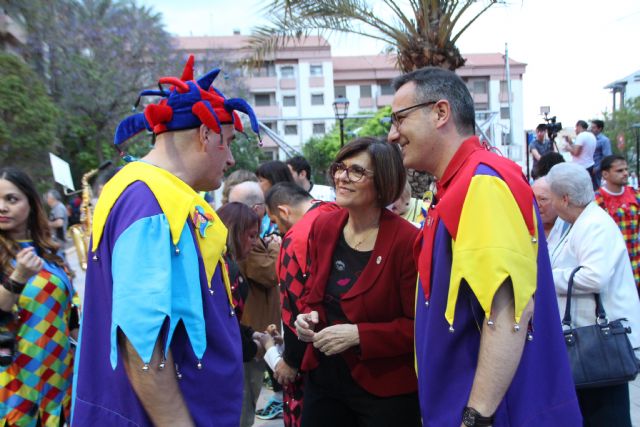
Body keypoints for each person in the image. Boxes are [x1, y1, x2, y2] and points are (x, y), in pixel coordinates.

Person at [71, 55, 261, 426]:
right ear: (205, 135)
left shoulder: (150, 194)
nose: (232, 157)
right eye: (228, 141)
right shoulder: (150, 203)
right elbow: (143, 347)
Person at [387, 66, 581, 426]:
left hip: (497, 413)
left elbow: (509, 311)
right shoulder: (459, 184)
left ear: (440, 112)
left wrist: (476, 416)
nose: (392, 134)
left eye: (399, 119)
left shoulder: (481, 183)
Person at [295, 137, 421, 427]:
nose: (341, 177)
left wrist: (360, 335)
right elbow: (313, 294)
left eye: (356, 171)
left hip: (384, 388)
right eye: (340, 167)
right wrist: (306, 318)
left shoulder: (407, 241)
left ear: (384, 182)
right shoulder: (324, 226)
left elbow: (418, 325)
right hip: (324, 377)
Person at [547, 162, 640, 426]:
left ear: (564, 198)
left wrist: (547, 277)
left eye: (551, 197)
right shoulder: (577, 222)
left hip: (602, 341)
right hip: (590, 339)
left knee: (607, 412)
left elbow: (594, 276)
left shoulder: (594, 224)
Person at [0, 167, 77, 426]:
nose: (2, 208)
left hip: (60, 377)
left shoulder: (51, 255)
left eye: (11, 199)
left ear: (31, 204)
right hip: (12, 384)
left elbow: (72, 316)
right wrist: (18, 277)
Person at [264, 182, 339, 427]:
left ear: (284, 211)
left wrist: (291, 361)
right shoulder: (338, 213)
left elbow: (295, 307)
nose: (276, 228)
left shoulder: (295, 238)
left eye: (275, 221)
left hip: (318, 357)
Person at [228, 181, 283, 424]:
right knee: (242, 406)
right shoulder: (241, 246)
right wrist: (277, 250)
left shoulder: (249, 237)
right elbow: (271, 273)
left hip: (253, 332)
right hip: (246, 339)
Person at [216, 202, 263, 360]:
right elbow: (224, 327)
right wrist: (255, 348)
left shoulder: (216, 263)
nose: (255, 242)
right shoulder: (227, 270)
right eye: (251, 236)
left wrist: (251, 333)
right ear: (234, 232)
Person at [595, 155, 640, 288]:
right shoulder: (597, 200)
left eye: (626, 169)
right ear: (605, 174)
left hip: (635, 263)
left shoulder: (635, 195)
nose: (625, 173)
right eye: (619, 171)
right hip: (610, 265)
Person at [531, 177, 569, 252]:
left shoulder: (570, 228)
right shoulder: (525, 226)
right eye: (533, 200)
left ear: (560, 200)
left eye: (543, 199)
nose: (537, 205)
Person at [564, 120, 597, 189]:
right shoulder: (591, 136)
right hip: (590, 165)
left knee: (580, 190)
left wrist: (568, 148)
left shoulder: (581, 136)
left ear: (579, 127)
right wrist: (571, 143)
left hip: (581, 167)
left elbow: (576, 153)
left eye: (576, 128)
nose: (575, 130)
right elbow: (582, 150)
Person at [591, 119, 612, 186]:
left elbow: (607, 156)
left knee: (597, 189)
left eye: (594, 127)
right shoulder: (590, 139)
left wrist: (597, 168)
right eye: (591, 127)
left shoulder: (604, 140)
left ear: (599, 129)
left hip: (597, 170)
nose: (592, 129)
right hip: (589, 168)